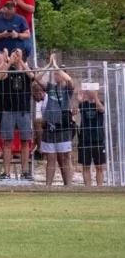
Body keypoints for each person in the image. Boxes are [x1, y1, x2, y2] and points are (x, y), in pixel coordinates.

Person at [0, 49, 35, 180]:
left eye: (19, 54)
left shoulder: (26, 69)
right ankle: (6, 172)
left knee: (25, 142)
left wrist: (20, 62)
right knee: (7, 142)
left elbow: (32, 76)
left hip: (24, 111)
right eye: (15, 54)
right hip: (8, 110)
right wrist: (9, 61)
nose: (17, 56)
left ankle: (24, 172)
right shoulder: (7, 70)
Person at [36, 55, 75, 187]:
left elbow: (70, 81)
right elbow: (37, 78)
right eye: (55, 73)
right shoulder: (51, 87)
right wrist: (49, 65)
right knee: (50, 158)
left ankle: (68, 185)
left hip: (63, 126)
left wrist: (57, 67)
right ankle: (48, 186)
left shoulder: (67, 90)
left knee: (65, 157)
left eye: (58, 73)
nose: (56, 75)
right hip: (50, 127)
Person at [77, 85, 106, 187]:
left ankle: (100, 188)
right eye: (90, 91)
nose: (91, 92)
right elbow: (74, 112)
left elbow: (102, 110)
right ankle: (88, 189)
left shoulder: (100, 103)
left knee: (100, 166)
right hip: (85, 139)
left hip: (98, 139)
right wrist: (79, 100)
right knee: (86, 166)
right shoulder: (83, 104)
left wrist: (96, 98)